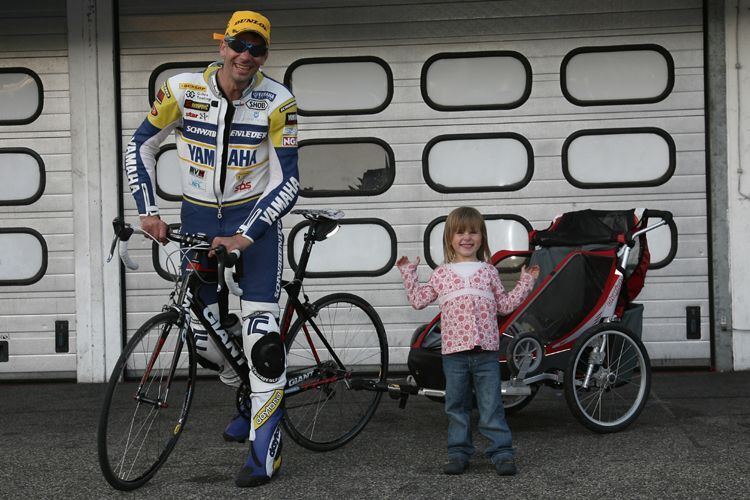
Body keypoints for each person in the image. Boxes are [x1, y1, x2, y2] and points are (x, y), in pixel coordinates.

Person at [124, 10, 298, 488]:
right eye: (238, 45)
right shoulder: (181, 90)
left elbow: (289, 181)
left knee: (261, 344)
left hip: (253, 226)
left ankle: (265, 452)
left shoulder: (278, 100)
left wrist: (247, 234)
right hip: (199, 220)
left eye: (256, 49)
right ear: (222, 47)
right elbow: (140, 146)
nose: (246, 55)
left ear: (264, 55)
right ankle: (247, 393)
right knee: (209, 334)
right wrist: (148, 210)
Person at [396, 207, 540, 476]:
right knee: (456, 406)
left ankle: (502, 452)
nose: (467, 237)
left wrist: (525, 282)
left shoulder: (488, 271)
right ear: (450, 238)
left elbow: (505, 305)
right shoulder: (442, 273)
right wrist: (408, 273)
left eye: (473, 231)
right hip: (453, 354)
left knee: (491, 405)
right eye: (460, 232)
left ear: (482, 237)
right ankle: (459, 453)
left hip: (486, 352)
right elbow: (418, 301)